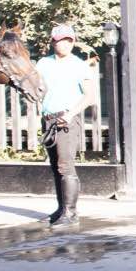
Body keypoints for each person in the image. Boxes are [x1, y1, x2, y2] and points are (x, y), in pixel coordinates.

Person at [36, 23, 94, 227]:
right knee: (55, 166)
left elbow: (89, 96)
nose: (66, 44)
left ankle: (70, 213)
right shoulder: (43, 63)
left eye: (69, 40)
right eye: (62, 40)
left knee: (65, 166)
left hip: (67, 120)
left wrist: (70, 114)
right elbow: (37, 88)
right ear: (53, 42)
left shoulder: (79, 65)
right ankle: (61, 208)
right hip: (49, 119)